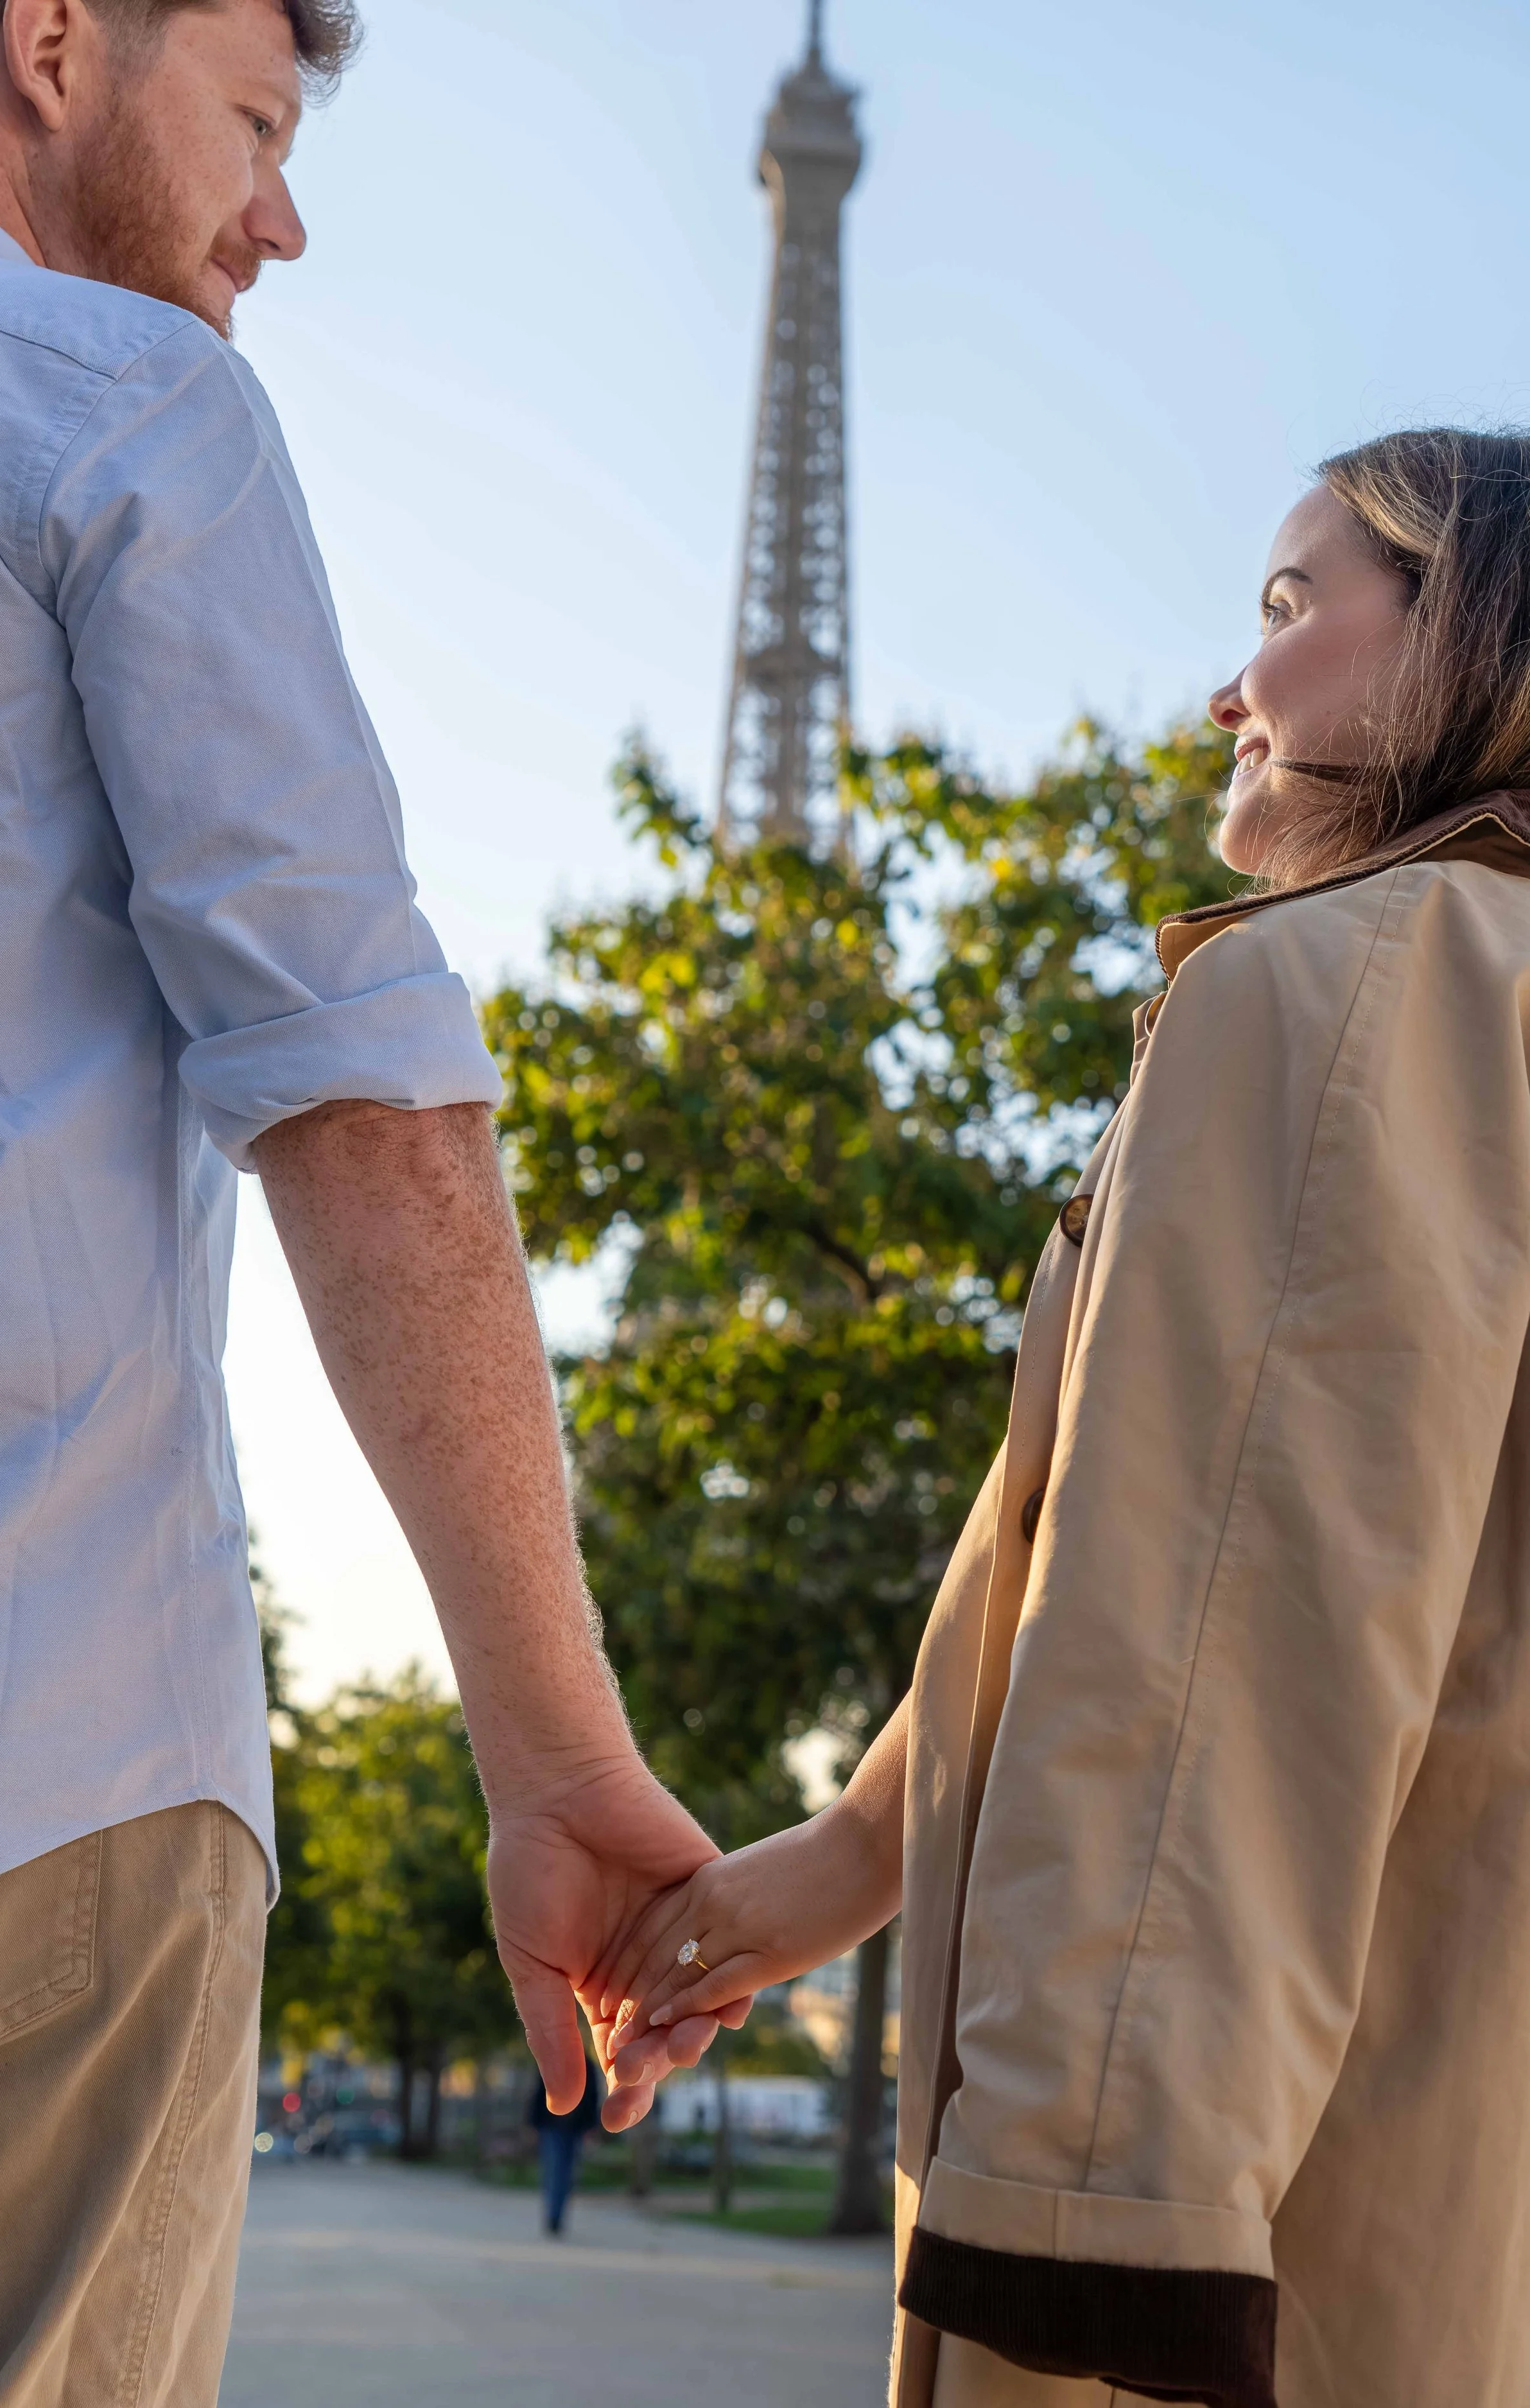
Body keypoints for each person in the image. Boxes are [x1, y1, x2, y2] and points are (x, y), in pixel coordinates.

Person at [0, 1, 726, 2398]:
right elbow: (364, 1099)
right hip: (21, 1735)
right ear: (57, 39)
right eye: (260, 122)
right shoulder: (102, 404)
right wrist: (556, 1754)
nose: (283, 213)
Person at [602, 429, 1530, 2408]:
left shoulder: (1340, 982)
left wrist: (1087, 2220)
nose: (1228, 684)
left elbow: (1218, 1651)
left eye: (1289, 606)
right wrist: (848, 1854)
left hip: (1234, 2216)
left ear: (1466, 633)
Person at [528, 2055, 603, 2237]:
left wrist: (590, 2127)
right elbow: (539, 2092)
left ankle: (557, 2216)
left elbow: (592, 2097)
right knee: (555, 2171)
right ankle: (553, 2216)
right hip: (553, 2126)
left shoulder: (587, 2065)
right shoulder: (550, 2060)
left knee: (567, 2173)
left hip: (574, 2128)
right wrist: (534, 2124)